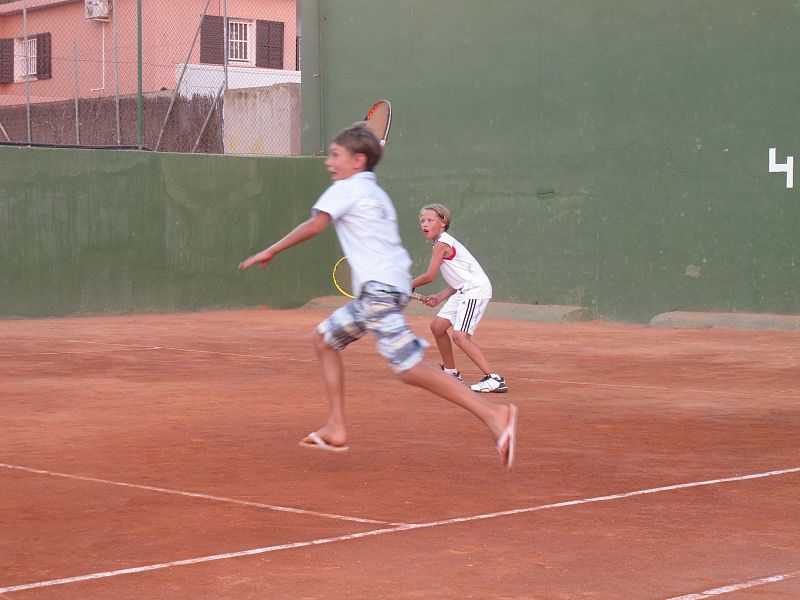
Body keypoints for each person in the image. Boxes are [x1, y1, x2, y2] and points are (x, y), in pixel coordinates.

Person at [238, 122, 518, 470]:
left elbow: (314, 225)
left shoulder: (345, 188)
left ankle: (495, 415)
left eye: (335, 155)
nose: (329, 162)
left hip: (379, 291)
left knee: (409, 369)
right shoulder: (375, 191)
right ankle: (337, 426)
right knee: (325, 340)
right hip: (388, 288)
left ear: (357, 160)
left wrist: (271, 250)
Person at [411, 204, 508, 393]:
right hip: (463, 289)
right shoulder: (440, 242)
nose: (424, 224)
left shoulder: (442, 244)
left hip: (475, 290)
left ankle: (494, 379)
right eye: (422, 221)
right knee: (437, 327)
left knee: (460, 336)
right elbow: (459, 279)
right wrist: (439, 297)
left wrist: (406, 284)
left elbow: (430, 276)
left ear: (443, 223)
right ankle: (451, 373)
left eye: (430, 220)